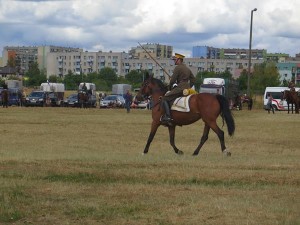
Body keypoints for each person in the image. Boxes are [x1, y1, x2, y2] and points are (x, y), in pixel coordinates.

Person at [161, 53, 196, 126]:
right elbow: (193, 80)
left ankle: (167, 117)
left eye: (175, 60)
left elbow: (173, 80)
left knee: (165, 98)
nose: (174, 61)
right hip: (186, 88)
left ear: (179, 59)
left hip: (180, 87)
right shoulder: (187, 68)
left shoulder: (178, 68)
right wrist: (189, 86)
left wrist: (170, 87)